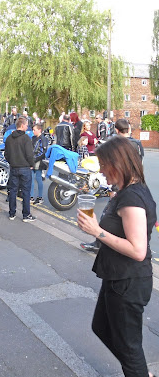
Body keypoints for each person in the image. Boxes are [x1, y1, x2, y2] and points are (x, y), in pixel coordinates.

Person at [77, 136, 157, 377]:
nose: (101, 171)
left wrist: (97, 232)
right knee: (101, 327)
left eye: (104, 165)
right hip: (118, 278)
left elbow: (137, 250)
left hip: (128, 282)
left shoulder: (131, 199)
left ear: (118, 164)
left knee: (129, 348)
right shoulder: (127, 191)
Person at [4, 117, 36, 222]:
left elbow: (6, 154)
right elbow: (29, 154)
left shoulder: (9, 138)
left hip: (14, 168)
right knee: (26, 192)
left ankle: (12, 213)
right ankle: (26, 215)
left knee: (13, 191)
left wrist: (11, 162)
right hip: (25, 168)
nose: (27, 127)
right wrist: (32, 164)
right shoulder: (26, 138)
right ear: (22, 125)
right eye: (26, 125)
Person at [30, 124, 48, 205]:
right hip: (33, 160)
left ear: (39, 130)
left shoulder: (43, 139)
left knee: (38, 178)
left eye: (34, 130)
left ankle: (40, 197)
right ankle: (31, 197)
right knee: (31, 178)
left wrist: (33, 160)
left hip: (38, 161)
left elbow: (42, 153)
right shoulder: (33, 138)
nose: (33, 131)